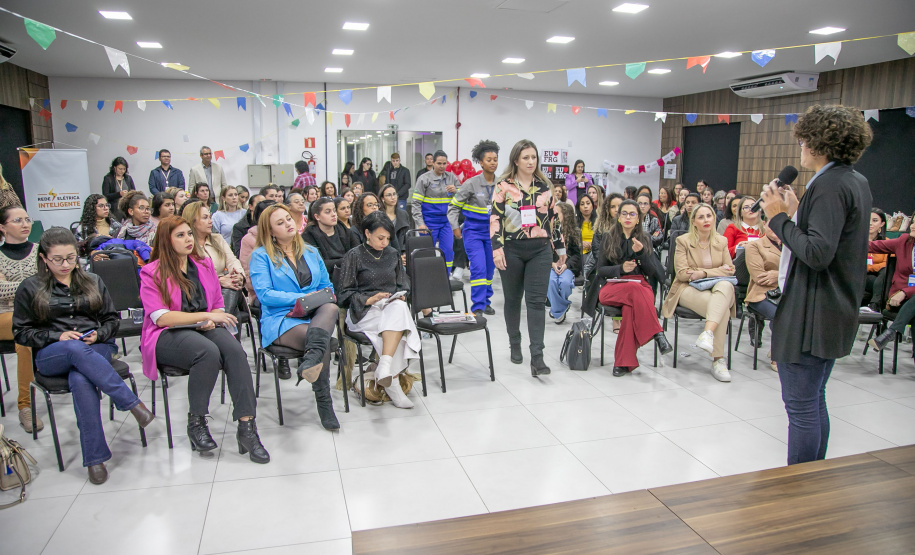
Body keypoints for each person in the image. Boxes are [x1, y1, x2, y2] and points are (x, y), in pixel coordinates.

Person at [759, 105, 872, 466]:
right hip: (834, 305)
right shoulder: (854, 180)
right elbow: (828, 243)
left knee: (801, 407)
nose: (801, 147)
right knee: (813, 399)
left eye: (804, 140)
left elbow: (817, 254)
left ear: (819, 142)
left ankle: (799, 486)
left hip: (812, 311)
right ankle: (813, 479)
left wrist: (778, 219)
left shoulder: (828, 185)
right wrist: (795, 215)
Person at [14, 228, 155, 484]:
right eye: (58, 259)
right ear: (44, 258)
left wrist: (98, 334)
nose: (66, 264)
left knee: (80, 377)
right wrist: (57, 336)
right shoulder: (31, 287)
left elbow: (111, 320)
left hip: (95, 347)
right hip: (53, 353)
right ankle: (131, 403)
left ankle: (95, 459)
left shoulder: (92, 280)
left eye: (71, 258)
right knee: (72, 348)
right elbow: (21, 333)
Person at [139, 216, 269, 463]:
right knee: (207, 352)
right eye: (180, 235)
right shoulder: (151, 272)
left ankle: (247, 428)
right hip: (167, 333)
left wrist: (213, 317)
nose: (188, 239)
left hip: (202, 326)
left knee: (235, 351)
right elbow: (162, 317)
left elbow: (217, 303)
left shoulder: (203, 264)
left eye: (189, 234)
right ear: (166, 240)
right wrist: (205, 316)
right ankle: (196, 422)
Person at [250, 204, 340, 430]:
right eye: (280, 223)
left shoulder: (311, 251)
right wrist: (300, 299)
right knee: (321, 341)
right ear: (271, 232)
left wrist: (314, 300)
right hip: (281, 318)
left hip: (314, 314)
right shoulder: (261, 256)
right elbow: (265, 294)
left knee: (330, 308)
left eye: (288, 219)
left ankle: (310, 361)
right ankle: (324, 403)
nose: (288, 224)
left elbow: (327, 287)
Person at [491, 139, 565, 376]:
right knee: (513, 300)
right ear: (516, 160)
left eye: (534, 157)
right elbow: (495, 219)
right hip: (511, 249)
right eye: (526, 157)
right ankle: (515, 342)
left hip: (540, 249)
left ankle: (537, 357)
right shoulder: (503, 186)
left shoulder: (544, 187)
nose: (531, 161)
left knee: (536, 302)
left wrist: (560, 249)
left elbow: (554, 219)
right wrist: (497, 249)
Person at [337, 211, 420, 409]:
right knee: (398, 329)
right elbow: (343, 294)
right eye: (380, 238)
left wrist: (401, 294)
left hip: (389, 307)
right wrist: (369, 299)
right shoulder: (354, 255)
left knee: (400, 306)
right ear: (367, 233)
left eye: (388, 238)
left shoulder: (392, 254)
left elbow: (403, 283)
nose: (385, 243)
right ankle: (393, 385)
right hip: (363, 311)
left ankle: (384, 366)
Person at [594, 199, 671, 375]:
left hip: (639, 284)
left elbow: (651, 271)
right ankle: (657, 333)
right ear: (619, 217)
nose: (628, 217)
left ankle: (622, 363)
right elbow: (601, 270)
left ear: (638, 219)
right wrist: (621, 268)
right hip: (613, 285)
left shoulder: (645, 238)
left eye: (632, 214)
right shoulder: (608, 237)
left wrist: (641, 253)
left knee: (630, 309)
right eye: (624, 213)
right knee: (634, 291)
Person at [661, 203, 736, 382]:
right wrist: (718, 271)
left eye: (709, 216)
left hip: (717, 288)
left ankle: (707, 334)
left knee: (726, 287)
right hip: (688, 289)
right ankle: (718, 360)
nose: (706, 220)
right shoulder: (683, 241)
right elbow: (682, 273)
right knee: (722, 308)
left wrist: (702, 273)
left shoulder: (721, 241)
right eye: (701, 217)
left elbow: (730, 270)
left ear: (714, 218)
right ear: (693, 221)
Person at [303, 197, 360, 392]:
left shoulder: (345, 230)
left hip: (347, 284)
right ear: (317, 216)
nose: (334, 214)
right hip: (323, 287)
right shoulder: (309, 235)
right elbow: (317, 266)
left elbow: (357, 256)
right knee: (339, 312)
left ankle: (348, 372)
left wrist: (340, 263)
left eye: (334, 210)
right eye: (328, 212)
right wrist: (343, 262)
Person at [0, 206, 41, 432]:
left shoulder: (40, 250)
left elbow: (50, 283)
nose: (25, 224)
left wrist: (14, 286)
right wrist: (33, 284)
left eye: (27, 219)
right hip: (5, 316)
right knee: (24, 338)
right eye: (17, 220)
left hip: (38, 313)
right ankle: (26, 406)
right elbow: (1, 291)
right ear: (2, 227)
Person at [449, 139, 499, 316]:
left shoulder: (501, 184)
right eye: (489, 160)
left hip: (493, 233)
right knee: (478, 268)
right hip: (474, 231)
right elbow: (453, 206)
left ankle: (486, 302)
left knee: (490, 270)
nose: (493, 163)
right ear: (481, 162)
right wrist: (455, 226)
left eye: (495, 159)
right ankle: (477, 306)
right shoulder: (471, 183)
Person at [866, 218, 915, 352]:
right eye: (913, 222)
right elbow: (874, 246)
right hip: (898, 300)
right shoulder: (904, 241)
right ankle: (891, 333)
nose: (912, 226)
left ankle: (891, 332)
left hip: (905, 296)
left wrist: (905, 292)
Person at [412, 150, 461, 273]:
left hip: (446, 222)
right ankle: (428, 278)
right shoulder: (424, 179)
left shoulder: (451, 177)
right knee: (428, 253)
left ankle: (445, 277)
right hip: (429, 222)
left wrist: (456, 190)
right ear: (433, 163)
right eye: (439, 163)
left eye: (444, 163)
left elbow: (464, 195)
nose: (442, 166)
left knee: (448, 251)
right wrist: (420, 223)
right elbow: (416, 203)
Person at [181, 201, 245, 293]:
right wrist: (218, 281)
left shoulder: (217, 238)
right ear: (193, 222)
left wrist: (238, 275)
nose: (210, 221)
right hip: (199, 292)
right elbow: (190, 277)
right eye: (205, 218)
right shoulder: (186, 245)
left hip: (225, 286)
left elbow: (232, 260)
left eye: (210, 217)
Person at [745, 223, 782, 371]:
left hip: (787, 292)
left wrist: (778, 275)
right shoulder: (755, 246)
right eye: (771, 223)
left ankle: (782, 348)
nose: (775, 228)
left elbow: (801, 273)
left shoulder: (792, 246)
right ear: (765, 225)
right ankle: (778, 355)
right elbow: (759, 277)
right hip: (761, 294)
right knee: (781, 315)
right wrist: (787, 276)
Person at [547, 203, 581, 324]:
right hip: (551, 266)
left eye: (557, 213)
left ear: (566, 215)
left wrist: (566, 265)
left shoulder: (575, 232)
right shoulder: (547, 230)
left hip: (568, 267)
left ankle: (557, 310)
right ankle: (560, 309)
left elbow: (577, 255)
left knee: (565, 282)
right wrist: (552, 263)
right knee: (551, 281)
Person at [861, 208, 887, 310]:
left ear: (882, 224)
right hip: (862, 276)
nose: (870, 223)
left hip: (881, 276)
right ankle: (875, 306)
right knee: (880, 284)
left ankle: (874, 305)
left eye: (875, 220)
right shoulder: (857, 242)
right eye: (868, 219)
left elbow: (887, 264)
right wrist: (873, 268)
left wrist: (870, 267)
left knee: (884, 273)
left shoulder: (887, 243)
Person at [379, 184, 410, 254]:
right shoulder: (379, 216)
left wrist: (404, 253)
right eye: (389, 195)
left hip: (401, 252)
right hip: (384, 253)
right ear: (382, 198)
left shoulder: (403, 214)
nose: (393, 197)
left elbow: (408, 238)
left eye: (394, 194)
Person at [577, 193, 596, 261]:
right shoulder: (575, 223)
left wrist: (593, 245)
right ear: (578, 207)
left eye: (588, 203)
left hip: (596, 253)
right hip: (580, 254)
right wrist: (580, 243)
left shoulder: (599, 222)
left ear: (592, 206)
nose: (585, 206)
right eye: (582, 204)